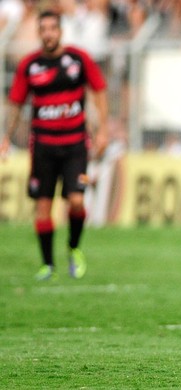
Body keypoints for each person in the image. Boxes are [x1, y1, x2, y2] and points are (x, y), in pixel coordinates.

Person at [0, 10, 109, 281]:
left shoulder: (78, 59)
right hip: (44, 147)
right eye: (44, 29)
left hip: (75, 145)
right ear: (39, 33)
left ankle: (74, 248)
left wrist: (103, 131)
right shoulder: (30, 65)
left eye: (53, 28)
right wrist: (5, 137)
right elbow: (16, 105)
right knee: (42, 206)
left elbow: (99, 91)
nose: (48, 33)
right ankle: (48, 265)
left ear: (60, 31)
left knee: (75, 200)